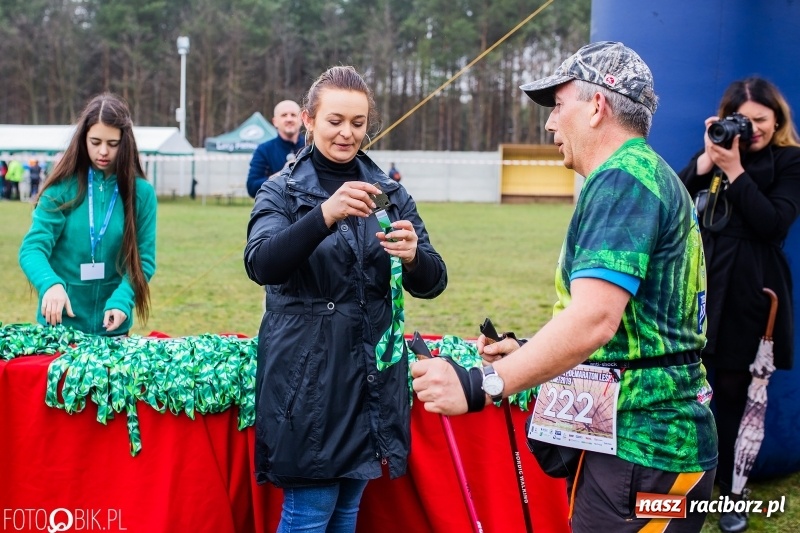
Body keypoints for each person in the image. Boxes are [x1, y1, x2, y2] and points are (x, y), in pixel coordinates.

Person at [412, 41, 718, 532]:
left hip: (643, 450)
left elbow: (595, 319)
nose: (551, 124)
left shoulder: (623, 179)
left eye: (558, 105)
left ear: (597, 106)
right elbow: (641, 327)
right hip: (646, 449)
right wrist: (530, 349)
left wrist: (482, 385)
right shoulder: (645, 173)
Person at [244, 65, 447, 533]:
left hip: (371, 380)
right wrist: (324, 215)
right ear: (310, 120)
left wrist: (416, 257)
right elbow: (261, 264)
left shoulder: (389, 192)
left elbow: (434, 281)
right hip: (307, 380)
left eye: (358, 123)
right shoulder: (281, 189)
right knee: (310, 512)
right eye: (335, 120)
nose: (347, 133)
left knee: (347, 511)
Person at [678, 77, 800, 533]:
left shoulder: (790, 160)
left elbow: (774, 224)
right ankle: (689, 486)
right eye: (742, 120)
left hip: (753, 291)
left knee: (733, 394)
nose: (751, 130)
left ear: (778, 119)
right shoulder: (718, 151)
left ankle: (730, 495)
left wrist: (734, 172)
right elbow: (675, 197)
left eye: (761, 120)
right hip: (704, 287)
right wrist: (708, 157)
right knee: (693, 390)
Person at [18, 92, 157, 336]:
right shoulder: (60, 189)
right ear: (83, 139)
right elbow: (32, 249)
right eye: (95, 142)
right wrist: (49, 284)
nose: (103, 151)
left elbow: (144, 260)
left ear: (125, 142)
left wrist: (122, 299)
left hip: (113, 330)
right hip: (60, 329)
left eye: (113, 144)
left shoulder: (142, 194)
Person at [246, 99, 305, 198]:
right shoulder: (264, 150)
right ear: (275, 121)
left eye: (293, 115)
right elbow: (252, 187)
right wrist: (282, 174)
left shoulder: (312, 147)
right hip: (277, 209)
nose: (289, 119)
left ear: (301, 120)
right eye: (284, 115)